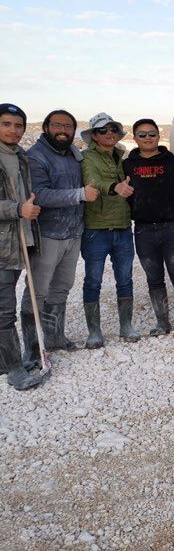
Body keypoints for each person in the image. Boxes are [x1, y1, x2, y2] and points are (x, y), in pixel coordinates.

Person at [20, 110, 98, 367]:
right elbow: (39, 194)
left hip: (73, 233)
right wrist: (80, 194)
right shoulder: (36, 156)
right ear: (46, 127)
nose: (63, 130)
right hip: (47, 234)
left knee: (62, 287)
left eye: (68, 126)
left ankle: (54, 338)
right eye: (57, 125)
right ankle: (33, 349)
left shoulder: (73, 154)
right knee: (37, 292)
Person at [123, 119, 174, 344]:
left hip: (171, 229)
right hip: (143, 230)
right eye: (142, 134)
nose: (147, 138)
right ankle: (162, 322)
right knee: (154, 278)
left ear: (159, 136)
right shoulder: (127, 165)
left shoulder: (173, 162)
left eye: (152, 134)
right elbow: (119, 193)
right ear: (135, 137)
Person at [80, 113, 140, 348]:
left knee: (125, 279)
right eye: (103, 130)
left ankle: (126, 326)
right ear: (94, 135)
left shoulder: (122, 156)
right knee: (93, 281)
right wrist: (115, 187)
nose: (109, 133)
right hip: (96, 229)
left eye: (113, 129)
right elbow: (92, 180)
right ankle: (94, 332)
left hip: (123, 226)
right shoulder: (87, 157)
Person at [0, 103, 43, 390]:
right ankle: (14, 369)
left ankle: (8, 360)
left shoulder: (22, 157)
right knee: (4, 311)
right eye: (6, 124)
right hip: (2, 246)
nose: (13, 130)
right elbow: (18, 205)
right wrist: (18, 209)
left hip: (23, 240)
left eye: (19, 126)